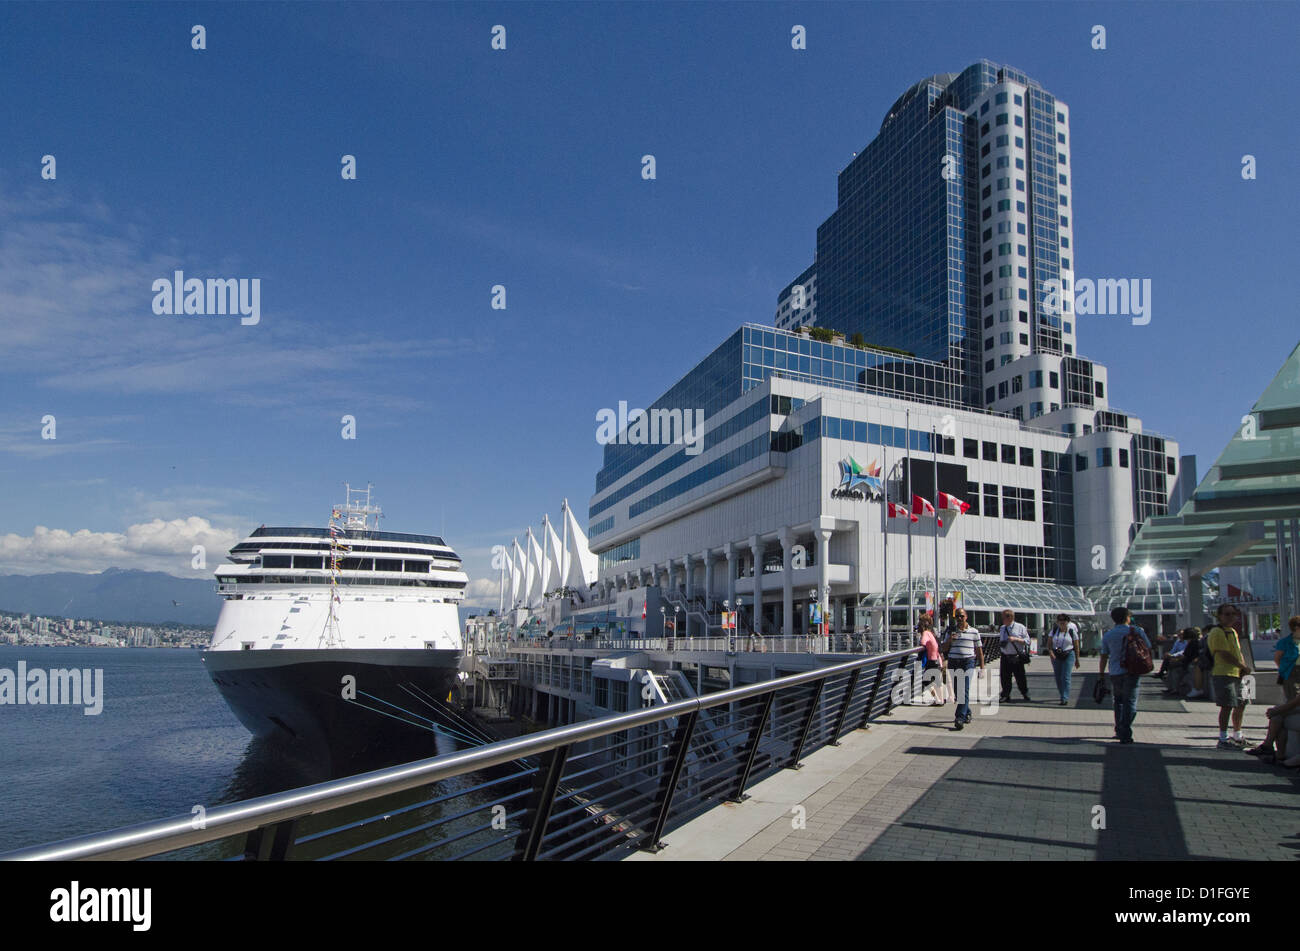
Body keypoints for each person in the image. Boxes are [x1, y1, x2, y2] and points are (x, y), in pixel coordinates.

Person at [1099, 606, 1151, 744]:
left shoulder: (1108, 635)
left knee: (1119, 701)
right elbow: (1148, 647)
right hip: (1132, 670)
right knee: (1130, 701)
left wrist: (1101, 674)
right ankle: (1125, 730)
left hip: (1115, 672)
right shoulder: (1137, 631)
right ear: (1128, 617)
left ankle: (1119, 728)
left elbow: (1104, 656)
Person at [1207, 604, 1252, 749]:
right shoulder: (1217, 632)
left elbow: (1238, 652)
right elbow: (1223, 654)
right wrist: (1242, 666)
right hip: (1223, 673)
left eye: (1233, 614)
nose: (1231, 617)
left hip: (1237, 673)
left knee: (1241, 703)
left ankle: (1237, 735)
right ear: (1219, 616)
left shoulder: (1232, 631)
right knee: (1227, 705)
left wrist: (1243, 667)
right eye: (1227, 614)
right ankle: (1223, 738)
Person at [943, 608, 983, 728]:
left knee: (964, 689)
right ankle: (967, 712)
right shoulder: (950, 631)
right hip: (954, 662)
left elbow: (979, 651)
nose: (959, 619)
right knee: (957, 691)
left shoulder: (974, 632)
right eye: (957, 617)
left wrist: (982, 667)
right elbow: (943, 648)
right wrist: (950, 640)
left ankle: (959, 717)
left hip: (968, 662)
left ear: (966, 617)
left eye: (961, 616)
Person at [997, 609, 1031, 703]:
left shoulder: (1020, 627)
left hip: (1016, 656)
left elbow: (1028, 641)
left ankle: (1024, 692)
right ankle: (1005, 695)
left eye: (1003, 617)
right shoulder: (1002, 628)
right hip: (1005, 656)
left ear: (1010, 617)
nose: (1002, 619)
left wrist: (1016, 639)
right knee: (1005, 677)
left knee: (1020, 677)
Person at [1047, 613, 1081, 704]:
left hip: (1068, 654)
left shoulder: (1071, 631)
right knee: (1058, 677)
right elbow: (1049, 644)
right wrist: (1051, 652)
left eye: (1064, 620)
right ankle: (1062, 693)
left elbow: (1076, 646)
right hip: (1056, 655)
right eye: (1060, 620)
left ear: (1067, 622)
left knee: (1065, 676)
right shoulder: (1054, 631)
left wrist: (1077, 659)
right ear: (1057, 622)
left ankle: (1064, 697)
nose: (1062, 622)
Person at [917, 616, 944, 705]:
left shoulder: (925, 633)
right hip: (936, 660)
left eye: (918, 628)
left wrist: (919, 639)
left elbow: (923, 643)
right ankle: (940, 700)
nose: (918, 630)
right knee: (937, 682)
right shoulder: (930, 633)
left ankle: (937, 700)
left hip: (931, 661)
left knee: (926, 681)